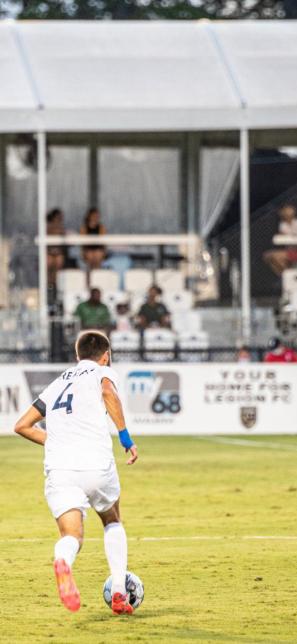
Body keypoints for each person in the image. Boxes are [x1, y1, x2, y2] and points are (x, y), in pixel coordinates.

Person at [13, 330, 139, 614]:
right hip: (95, 463)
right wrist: (125, 438)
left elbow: (22, 425)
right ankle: (119, 592)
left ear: (77, 355)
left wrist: (58, 441)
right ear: (105, 356)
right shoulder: (102, 373)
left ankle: (63, 563)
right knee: (111, 519)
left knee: (71, 536)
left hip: (60, 468)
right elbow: (108, 392)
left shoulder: (58, 383)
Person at [263, 204, 297, 276]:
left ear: (292, 215)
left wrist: (295, 237)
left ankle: (287, 276)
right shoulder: (283, 225)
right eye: (284, 214)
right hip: (290, 251)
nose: (284, 215)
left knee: (275, 257)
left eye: (286, 214)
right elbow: (283, 235)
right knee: (267, 256)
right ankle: (286, 276)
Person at [47, 208, 67, 286]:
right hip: (49, 252)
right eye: (59, 217)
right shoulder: (48, 227)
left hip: (58, 252)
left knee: (59, 261)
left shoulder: (61, 228)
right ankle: (48, 282)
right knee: (49, 261)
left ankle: (55, 283)